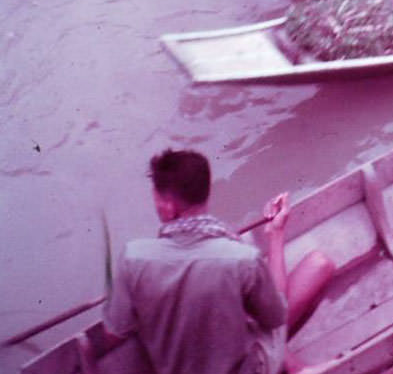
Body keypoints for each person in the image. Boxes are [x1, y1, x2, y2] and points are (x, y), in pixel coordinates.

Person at [98, 149, 334, 374]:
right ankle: (298, 368)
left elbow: (112, 333)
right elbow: (276, 317)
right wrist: (276, 233)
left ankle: (295, 366)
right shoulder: (241, 257)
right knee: (317, 266)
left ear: (169, 209)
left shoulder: (133, 257)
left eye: (156, 200)